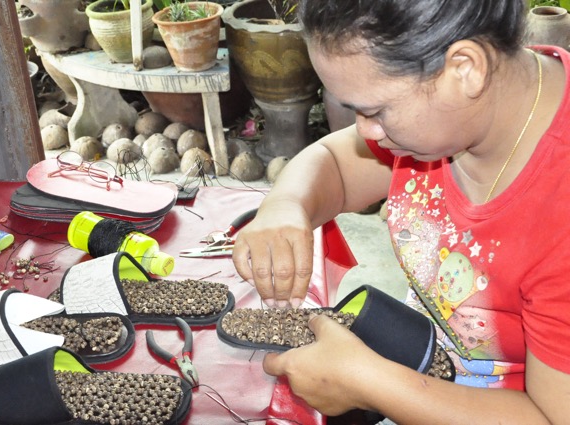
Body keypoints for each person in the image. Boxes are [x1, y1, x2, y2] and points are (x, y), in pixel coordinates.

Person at [231, 0, 570, 423]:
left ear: (465, 68)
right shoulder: (451, 118)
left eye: (373, 111)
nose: (363, 130)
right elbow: (335, 164)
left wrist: (369, 384)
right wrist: (286, 206)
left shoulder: (559, 214)